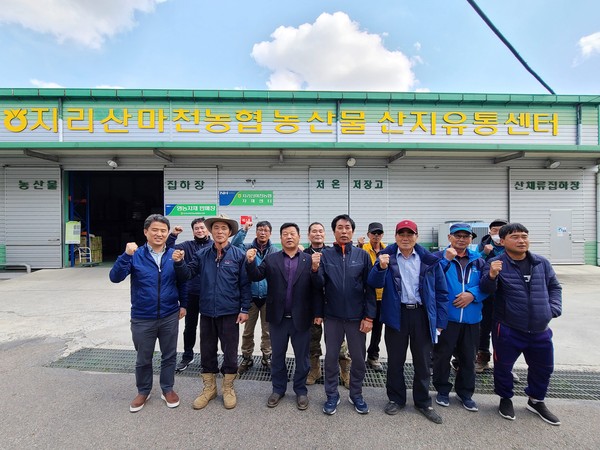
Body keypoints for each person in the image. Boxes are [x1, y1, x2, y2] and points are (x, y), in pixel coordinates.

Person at [480, 223, 562, 425]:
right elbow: (486, 290)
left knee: (543, 367)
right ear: (503, 241)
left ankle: (536, 400)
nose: (521, 240)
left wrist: (553, 309)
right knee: (503, 367)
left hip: (540, 328)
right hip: (508, 327)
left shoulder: (541, 263)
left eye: (524, 236)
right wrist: (492, 275)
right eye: (515, 236)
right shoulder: (495, 263)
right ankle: (505, 398)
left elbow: (554, 286)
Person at [368, 219, 448, 424]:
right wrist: (381, 267)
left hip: (421, 315)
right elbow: (373, 283)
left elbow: (441, 291)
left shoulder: (429, 259)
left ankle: (422, 401)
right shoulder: (385, 257)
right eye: (401, 234)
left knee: (422, 361)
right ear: (395, 237)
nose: (405, 238)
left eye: (410, 234)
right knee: (395, 360)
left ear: (416, 237)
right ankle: (396, 398)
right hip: (397, 314)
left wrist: (440, 319)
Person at [109, 214, 187, 413]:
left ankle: (167, 389)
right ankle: (143, 391)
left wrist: (183, 304)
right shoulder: (136, 255)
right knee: (144, 357)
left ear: (167, 233)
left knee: (169, 356)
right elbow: (115, 277)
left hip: (169, 314)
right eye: (155, 230)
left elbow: (184, 281)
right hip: (143, 316)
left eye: (163, 230)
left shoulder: (174, 254)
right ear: (146, 232)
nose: (159, 234)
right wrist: (125, 255)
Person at [172, 214, 251, 410]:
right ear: (211, 231)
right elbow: (187, 275)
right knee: (207, 350)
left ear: (230, 232)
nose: (219, 231)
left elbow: (245, 284)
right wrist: (179, 263)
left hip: (230, 311)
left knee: (230, 351)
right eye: (216, 228)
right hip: (206, 310)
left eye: (224, 228)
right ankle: (209, 388)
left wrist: (244, 309)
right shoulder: (202, 255)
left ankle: (228, 387)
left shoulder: (238, 255)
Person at [245, 223, 322, 410]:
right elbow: (256, 276)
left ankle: (301, 391)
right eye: (285, 234)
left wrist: (315, 270)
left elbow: (317, 288)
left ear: (298, 237)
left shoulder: (308, 259)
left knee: (302, 358)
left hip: (301, 318)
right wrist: (250, 261)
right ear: (280, 238)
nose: (289, 237)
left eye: (292, 234)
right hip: (277, 318)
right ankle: (278, 389)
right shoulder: (272, 259)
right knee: (278, 357)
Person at [313, 214, 376, 415]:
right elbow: (318, 286)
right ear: (334, 231)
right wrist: (314, 269)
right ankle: (332, 395)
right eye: (340, 228)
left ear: (353, 231)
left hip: (357, 317)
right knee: (331, 357)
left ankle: (356, 394)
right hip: (332, 316)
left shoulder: (362, 256)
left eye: (347, 227)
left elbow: (370, 288)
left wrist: (369, 317)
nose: (344, 231)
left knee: (358, 358)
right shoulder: (326, 256)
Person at [432, 223, 487, 412]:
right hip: (447, 318)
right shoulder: (439, 257)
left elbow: (488, 284)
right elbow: (430, 279)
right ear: (449, 238)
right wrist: (445, 260)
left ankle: (465, 394)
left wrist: (473, 294)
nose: (461, 239)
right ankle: (442, 390)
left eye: (466, 236)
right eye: (457, 236)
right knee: (441, 356)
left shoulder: (479, 261)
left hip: (472, 319)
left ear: (471, 239)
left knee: (468, 358)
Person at [303, 222, 352, 388]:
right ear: (309, 235)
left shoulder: (333, 253)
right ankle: (314, 370)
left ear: (325, 234)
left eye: (320, 231)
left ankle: (345, 372)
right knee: (312, 341)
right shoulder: (303, 255)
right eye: (314, 231)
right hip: (311, 305)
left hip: (333, 305)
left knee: (339, 344)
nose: (317, 234)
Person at [165, 218, 212, 372]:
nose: (200, 230)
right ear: (193, 231)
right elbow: (168, 249)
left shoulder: (214, 246)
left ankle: (209, 357)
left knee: (209, 329)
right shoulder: (187, 246)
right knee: (190, 327)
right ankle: (187, 356)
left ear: (207, 230)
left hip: (209, 295)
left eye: (202, 228)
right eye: (197, 228)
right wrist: (173, 235)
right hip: (191, 293)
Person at [231, 220, 276, 373]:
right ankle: (247, 357)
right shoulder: (247, 248)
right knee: (248, 331)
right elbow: (235, 245)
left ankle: (267, 357)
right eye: (260, 230)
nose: (262, 233)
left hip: (268, 298)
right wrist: (244, 229)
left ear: (270, 233)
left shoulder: (274, 251)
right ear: (256, 232)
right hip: (250, 298)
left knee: (267, 331)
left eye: (265, 230)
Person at [475, 218, 508, 374]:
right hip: (487, 294)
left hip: (507, 296)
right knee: (484, 328)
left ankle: (504, 365)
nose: (497, 233)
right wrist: (484, 253)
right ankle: (482, 359)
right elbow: (473, 263)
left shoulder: (512, 246)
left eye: (502, 229)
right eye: (495, 230)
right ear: (490, 231)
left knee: (505, 331)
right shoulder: (483, 246)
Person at [357, 222, 387, 372]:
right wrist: (359, 245)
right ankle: (357, 356)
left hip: (382, 296)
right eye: (373, 233)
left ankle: (373, 356)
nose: (376, 236)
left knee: (378, 328)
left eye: (379, 233)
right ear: (368, 234)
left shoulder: (387, 250)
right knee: (360, 326)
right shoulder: (362, 249)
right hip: (365, 295)